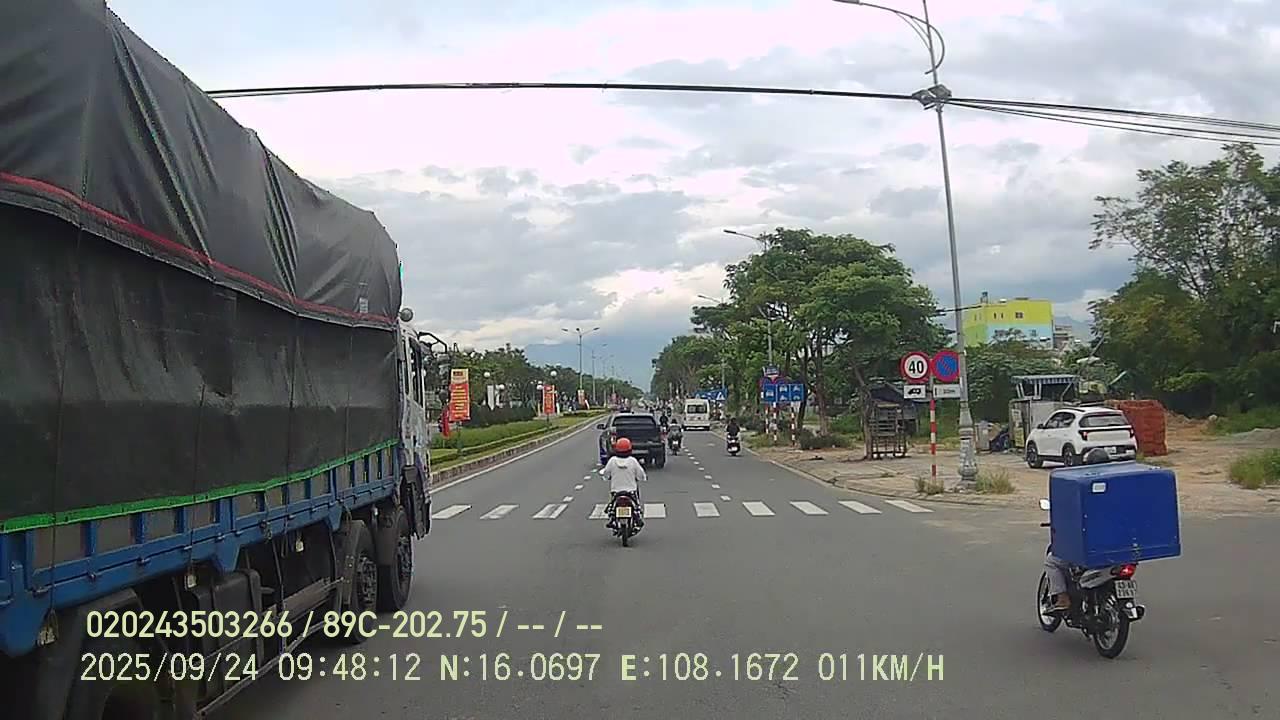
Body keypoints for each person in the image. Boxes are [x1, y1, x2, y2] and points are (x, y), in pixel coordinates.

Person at [1043, 447, 1113, 613]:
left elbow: (1070, 514)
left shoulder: (1082, 486)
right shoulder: (1117, 486)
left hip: (1091, 551)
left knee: (1052, 562)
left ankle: (1062, 598)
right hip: (1116, 550)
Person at [602, 437, 647, 528]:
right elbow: (641, 475)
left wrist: (607, 477)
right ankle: (637, 517)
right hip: (631, 491)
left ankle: (612, 518)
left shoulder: (612, 461)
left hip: (616, 491)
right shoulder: (633, 461)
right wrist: (641, 478)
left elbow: (606, 473)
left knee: (612, 505)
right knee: (636, 506)